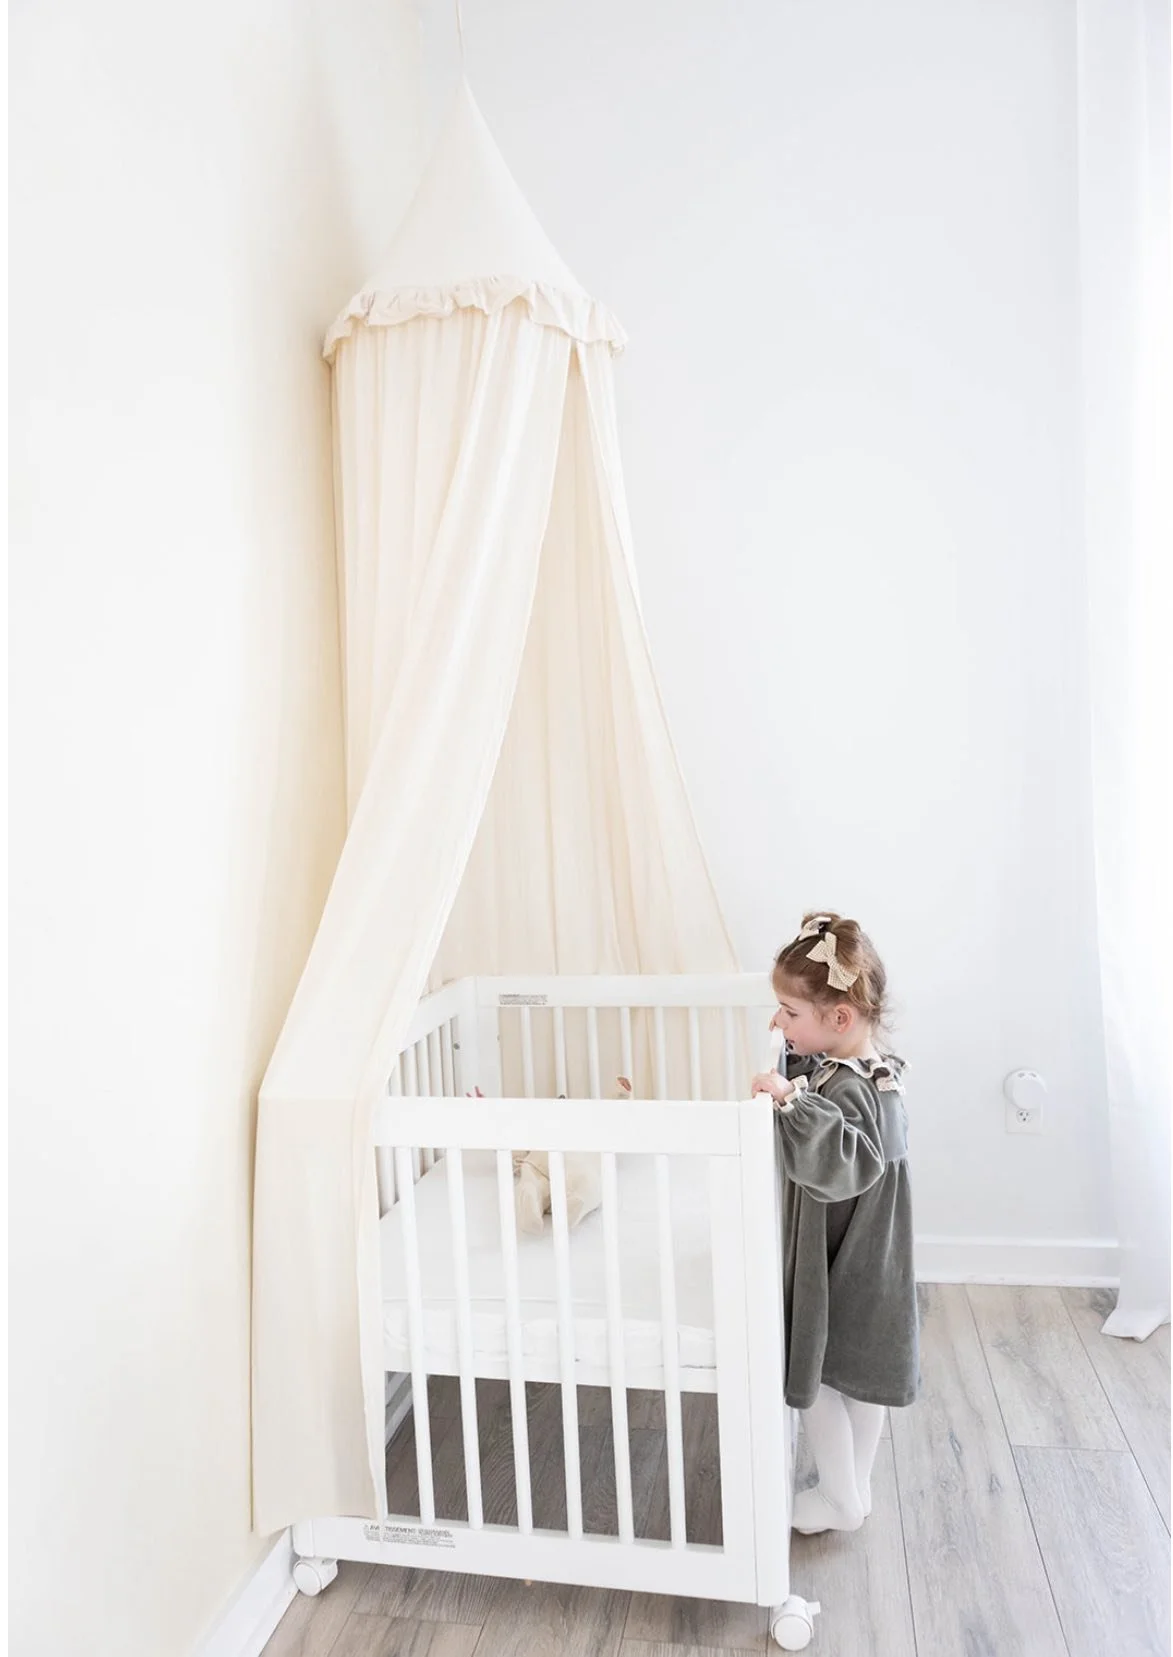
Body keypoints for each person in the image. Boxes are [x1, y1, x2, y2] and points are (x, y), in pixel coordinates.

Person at [750, 912, 919, 1535]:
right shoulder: (874, 1068)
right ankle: (855, 1487)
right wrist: (795, 1075)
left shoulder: (855, 1090)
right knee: (859, 1380)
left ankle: (841, 1497)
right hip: (874, 1255)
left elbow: (847, 1161)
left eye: (790, 1013)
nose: (779, 1023)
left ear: (839, 1019)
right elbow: (832, 1098)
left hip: (850, 1261)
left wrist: (790, 1102)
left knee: (820, 1376)